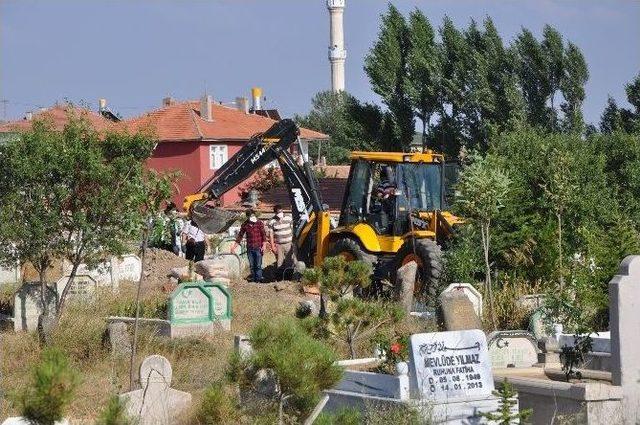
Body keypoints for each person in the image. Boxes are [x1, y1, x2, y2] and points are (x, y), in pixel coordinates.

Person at [231, 209, 268, 282]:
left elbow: (264, 235)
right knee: (251, 265)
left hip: (258, 247)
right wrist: (233, 247)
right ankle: (254, 279)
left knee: (258, 265)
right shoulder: (245, 224)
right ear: (247, 217)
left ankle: (259, 279)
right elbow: (240, 237)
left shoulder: (259, 223)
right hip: (250, 247)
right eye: (250, 216)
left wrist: (264, 245)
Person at [268, 205, 297, 276]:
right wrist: (273, 246)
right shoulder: (272, 221)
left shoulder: (289, 218)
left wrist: (294, 242)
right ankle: (280, 277)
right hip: (279, 245)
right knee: (279, 262)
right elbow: (271, 235)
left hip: (288, 243)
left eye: (281, 211)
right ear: (275, 213)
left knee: (289, 261)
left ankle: (289, 277)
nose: (280, 213)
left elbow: (293, 230)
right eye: (278, 212)